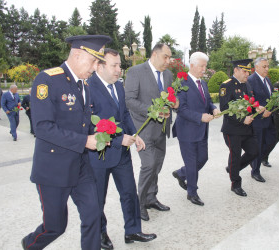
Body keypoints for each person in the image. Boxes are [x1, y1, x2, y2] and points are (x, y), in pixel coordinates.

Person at [21, 35, 112, 250]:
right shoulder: (47, 80)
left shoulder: (85, 85)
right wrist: (85, 141)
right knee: (55, 227)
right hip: (53, 168)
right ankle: (30, 245)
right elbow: (42, 127)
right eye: (93, 61)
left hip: (81, 166)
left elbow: (82, 124)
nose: (95, 67)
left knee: (93, 215)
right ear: (77, 55)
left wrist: (100, 134)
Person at [87, 48, 157, 249]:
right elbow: (92, 124)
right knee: (97, 198)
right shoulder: (88, 88)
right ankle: (100, 234)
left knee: (129, 193)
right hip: (97, 154)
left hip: (121, 155)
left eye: (120, 65)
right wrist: (120, 139)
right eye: (114, 65)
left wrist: (135, 135)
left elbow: (125, 114)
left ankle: (133, 230)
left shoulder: (118, 86)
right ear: (100, 66)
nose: (119, 70)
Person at [125, 43, 178, 221]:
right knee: (148, 165)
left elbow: (169, 97)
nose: (168, 61)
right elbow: (130, 100)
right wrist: (152, 111)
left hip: (162, 129)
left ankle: (151, 198)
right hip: (143, 129)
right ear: (154, 54)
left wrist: (174, 103)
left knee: (157, 165)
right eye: (165, 57)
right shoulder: (136, 72)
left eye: (170, 57)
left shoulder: (168, 75)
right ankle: (138, 205)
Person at [171, 52, 220, 206]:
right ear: (191, 65)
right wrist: (200, 117)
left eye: (205, 66)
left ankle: (181, 173)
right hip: (187, 130)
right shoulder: (181, 83)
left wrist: (214, 109)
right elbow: (181, 109)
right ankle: (192, 192)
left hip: (202, 130)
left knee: (203, 158)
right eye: (201, 66)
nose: (204, 69)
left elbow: (209, 102)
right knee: (192, 164)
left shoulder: (203, 84)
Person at [219, 59, 259, 197]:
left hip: (247, 129)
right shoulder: (227, 86)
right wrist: (243, 119)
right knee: (235, 156)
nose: (247, 74)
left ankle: (232, 169)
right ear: (236, 70)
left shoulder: (247, 84)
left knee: (254, 151)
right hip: (233, 129)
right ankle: (236, 184)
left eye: (248, 71)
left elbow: (250, 104)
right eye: (244, 71)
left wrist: (257, 109)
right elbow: (224, 109)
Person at [247, 57, 277, 183]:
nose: (267, 69)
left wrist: (272, 108)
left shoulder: (268, 80)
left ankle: (252, 160)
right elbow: (249, 99)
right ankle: (255, 171)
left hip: (269, 117)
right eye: (264, 66)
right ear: (257, 67)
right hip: (258, 119)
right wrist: (259, 111)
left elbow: (272, 98)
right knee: (258, 145)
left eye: (267, 66)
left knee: (271, 139)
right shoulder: (251, 80)